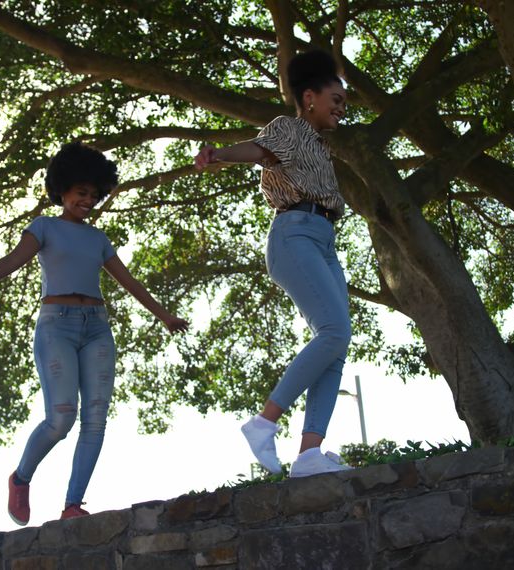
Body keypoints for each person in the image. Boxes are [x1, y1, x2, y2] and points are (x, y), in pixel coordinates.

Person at [0, 143, 188, 525]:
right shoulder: (44, 226)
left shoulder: (99, 239)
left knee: (97, 418)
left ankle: (73, 505)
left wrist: (164, 315)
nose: (87, 200)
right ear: (63, 191)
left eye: (93, 194)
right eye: (80, 193)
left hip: (97, 327)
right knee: (61, 417)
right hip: (57, 325)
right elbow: (12, 260)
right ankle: (21, 478)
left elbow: (129, 282)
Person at [193, 50, 352, 478]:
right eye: (335, 98)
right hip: (293, 233)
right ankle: (263, 423)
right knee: (335, 330)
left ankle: (309, 456)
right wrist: (218, 153)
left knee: (337, 341)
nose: (341, 108)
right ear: (309, 97)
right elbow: (257, 149)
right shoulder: (290, 129)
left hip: (323, 238)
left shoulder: (320, 147)